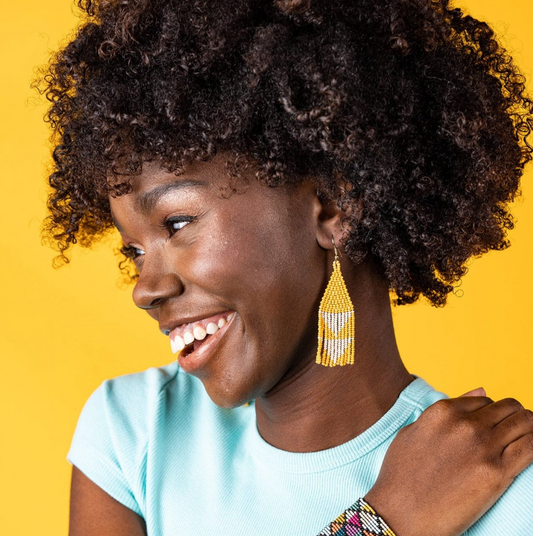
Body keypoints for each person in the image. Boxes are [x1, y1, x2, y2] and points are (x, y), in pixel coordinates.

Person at [38, 0, 533, 535]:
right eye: (133, 250)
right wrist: (383, 523)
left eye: (177, 223)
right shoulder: (133, 432)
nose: (144, 290)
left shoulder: (504, 488)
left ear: (333, 206)